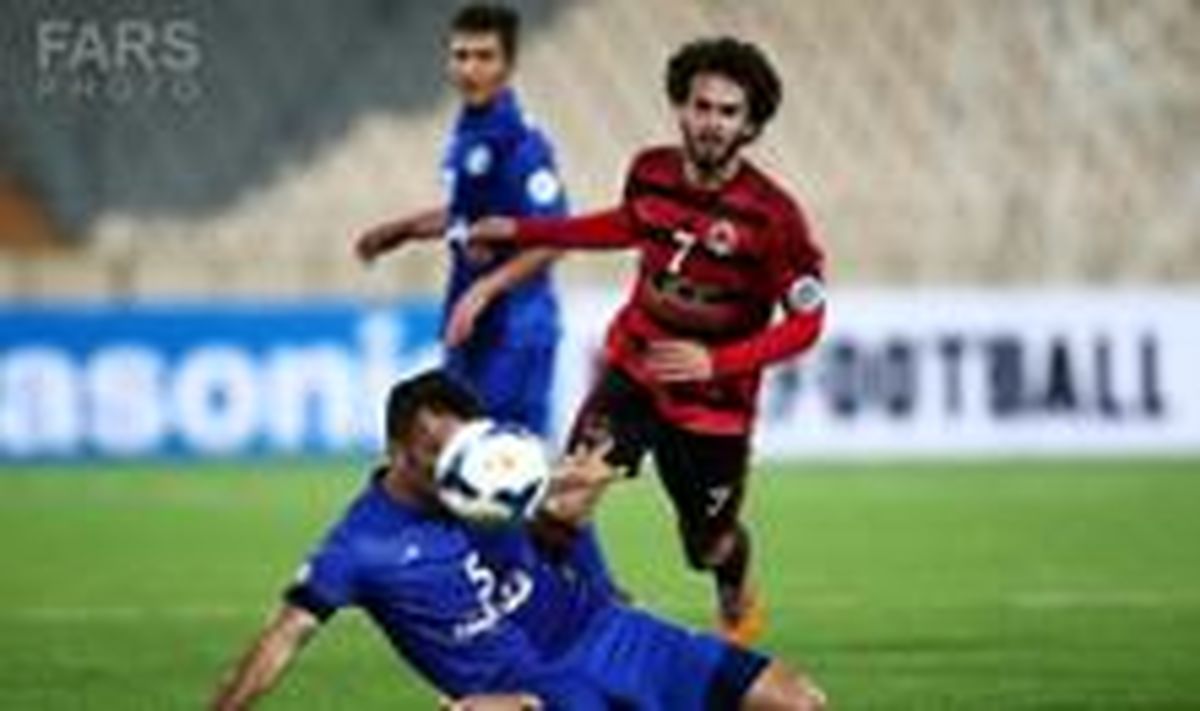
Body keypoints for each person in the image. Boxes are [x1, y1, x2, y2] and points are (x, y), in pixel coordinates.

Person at [467, 37, 827, 646]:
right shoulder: (651, 172)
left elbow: (806, 323)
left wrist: (717, 361)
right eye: (701, 106)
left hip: (714, 406)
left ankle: (735, 585)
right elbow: (622, 225)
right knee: (564, 502)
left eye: (728, 112)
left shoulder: (773, 217)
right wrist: (521, 229)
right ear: (681, 108)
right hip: (634, 371)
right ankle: (546, 638)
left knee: (707, 546)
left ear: (750, 126)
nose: (711, 122)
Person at [210, 370, 827, 710]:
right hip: (530, 694)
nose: (459, 464)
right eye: (437, 452)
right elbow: (281, 638)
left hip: (605, 632)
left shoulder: (490, 479)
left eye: (465, 446)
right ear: (396, 451)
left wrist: (585, 490)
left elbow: (557, 531)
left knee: (799, 702)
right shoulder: (360, 546)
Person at [354, 3, 614, 591]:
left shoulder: (520, 141)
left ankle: (597, 591)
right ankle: (510, 587)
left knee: (512, 468)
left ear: (508, 63)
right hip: (476, 332)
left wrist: (485, 290)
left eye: (483, 56)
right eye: (460, 55)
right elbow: (467, 215)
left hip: (515, 331)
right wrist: (402, 230)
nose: (469, 67)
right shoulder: (470, 130)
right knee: (471, 465)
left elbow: (554, 235)